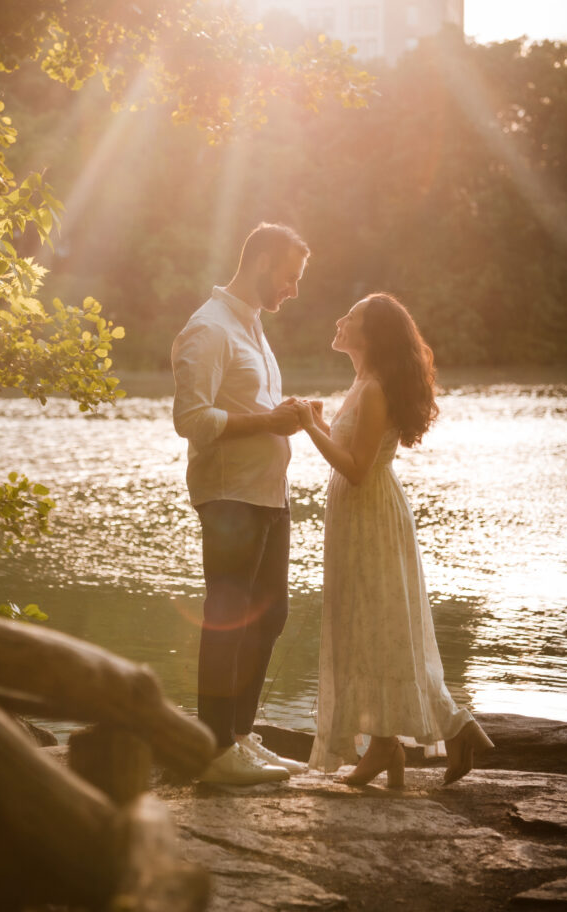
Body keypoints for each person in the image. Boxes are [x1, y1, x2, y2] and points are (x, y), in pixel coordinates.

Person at [292, 293, 494, 787]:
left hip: (372, 517)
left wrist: (305, 429)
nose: (340, 319)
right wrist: (320, 424)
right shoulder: (361, 381)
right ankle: (384, 747)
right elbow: (352, 450)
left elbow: (359, 470)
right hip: (358, 518)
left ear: (372, 335)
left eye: (352, 317)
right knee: (365, 630)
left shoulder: (375, 388)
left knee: (386, 631)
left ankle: (457, 729)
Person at [172, 222, 311, 785]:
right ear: (261, 262)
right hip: (229, 496)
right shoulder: (207, 329)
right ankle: (212, 751)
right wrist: (268, 421)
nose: (293, 289)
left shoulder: (251, 327)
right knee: (228, 618)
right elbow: (191, 420)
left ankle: (239, 738)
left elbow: (255, 404)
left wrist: (289, 412)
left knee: (270, 615)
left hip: (267, 493)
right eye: (289, 276)